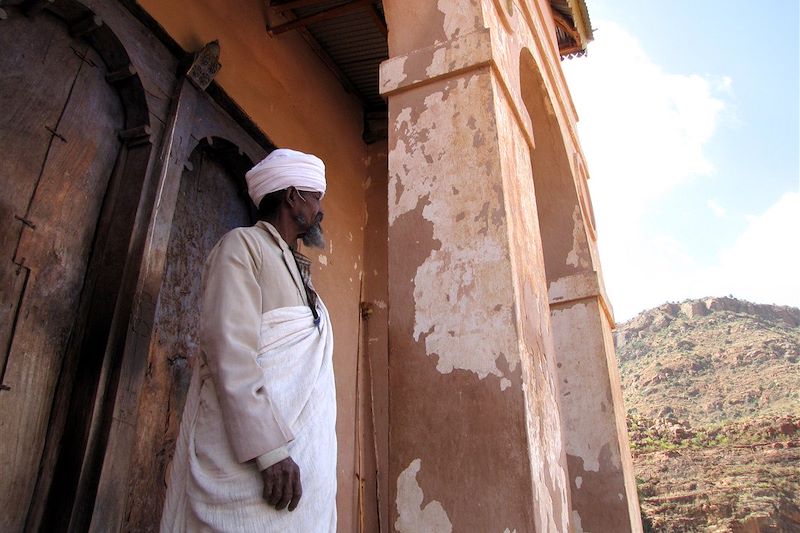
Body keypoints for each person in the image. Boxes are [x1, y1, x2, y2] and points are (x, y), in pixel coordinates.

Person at [161, 148, 336, 532]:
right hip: (258, 466)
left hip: (304, 476)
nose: (321, 209)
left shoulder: (298, 270)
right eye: (316, 197)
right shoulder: (242, 247)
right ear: (293, 197)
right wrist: (270, 453)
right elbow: (231, 352)